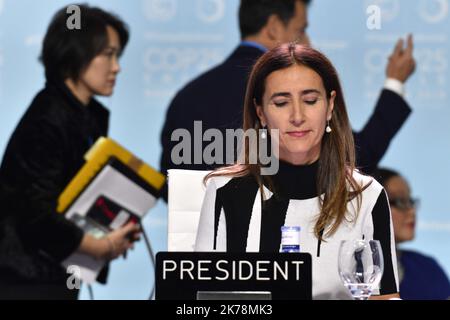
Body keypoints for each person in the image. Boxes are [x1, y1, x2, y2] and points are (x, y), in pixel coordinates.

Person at [194, 43, 399, 300]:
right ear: (261, 113)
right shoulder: (226, 190)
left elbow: (384, 296)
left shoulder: (366, 195)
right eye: (281, 103)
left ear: (330, 105)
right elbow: (201, 299)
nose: (297, 116)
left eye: (310, 100)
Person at [159, 0, 415, 201]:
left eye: (310, 101)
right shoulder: (276, 91)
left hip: (199, 261)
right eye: (302, 30)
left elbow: (170, 184)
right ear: (273, 27)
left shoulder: (187, 96)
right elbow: (352, 157)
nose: (309, 42)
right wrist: (395, 83)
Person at [0, 5, 139, 299]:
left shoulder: (83, 115)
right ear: (75, 54)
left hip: (54, 274)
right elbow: (35, 213)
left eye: (118, 55)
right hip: (27, 280)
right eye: (108, 54)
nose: (117, 67)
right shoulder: (48, 118)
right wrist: (99, 246)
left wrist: (112, 230)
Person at [373, 167, 450, 300]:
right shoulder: (353, 273)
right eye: (400, 201)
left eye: (410, 201)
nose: (411, 211)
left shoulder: (427, 268)